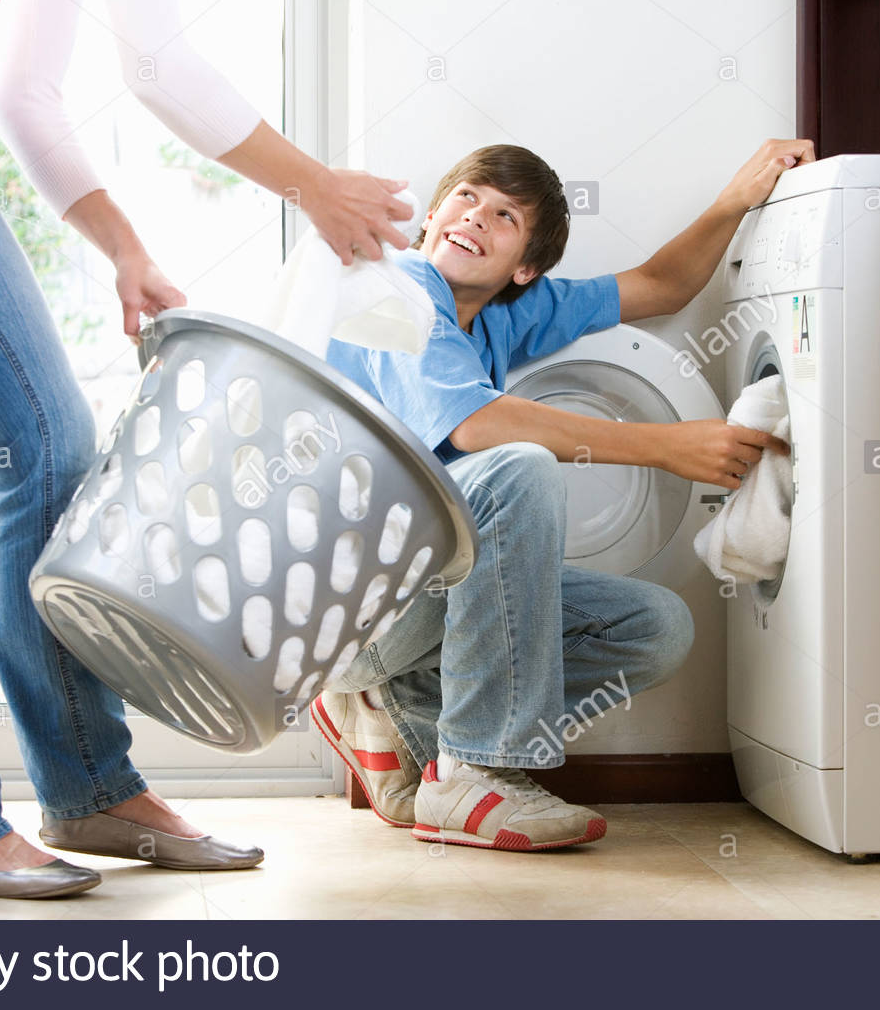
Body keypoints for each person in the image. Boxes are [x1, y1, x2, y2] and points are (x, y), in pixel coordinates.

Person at [0, 0, 412, 899]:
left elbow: (23, 96)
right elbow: (159, 61)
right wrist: (313, 183)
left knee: (49, 440)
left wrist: (124, 247)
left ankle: (87, 788)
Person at [313, 140, 810, 851]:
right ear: (429, 218)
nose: (476, 217)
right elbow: (477, 422)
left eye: (505, 215)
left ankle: (403, 710)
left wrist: (736, 198)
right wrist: (668, 448)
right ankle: (475, 772)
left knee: (655, 627)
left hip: (411, 606)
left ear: (525, 268)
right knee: (516, 468)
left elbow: (661, 285)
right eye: (467, 197)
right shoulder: (400, 291)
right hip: (341, 607)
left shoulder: (512, 312)